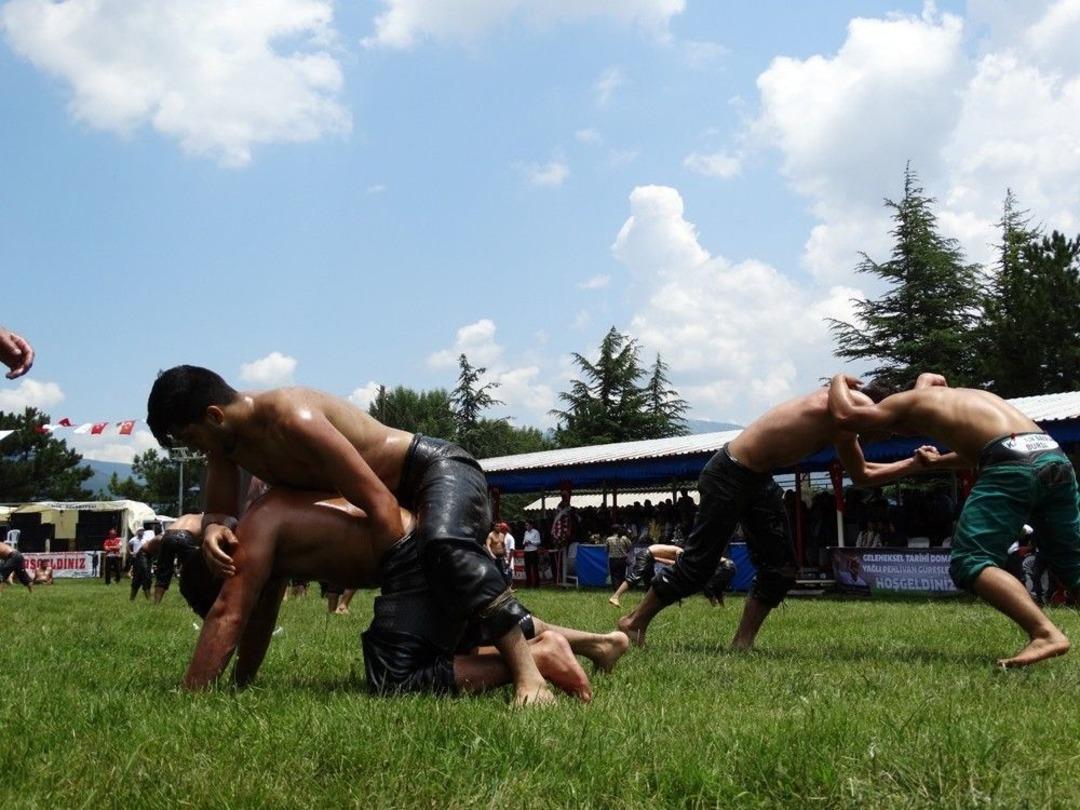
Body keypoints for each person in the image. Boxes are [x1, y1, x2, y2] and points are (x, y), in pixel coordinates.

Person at [147, 365, 553, 706]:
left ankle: (529, 674)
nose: (193, 450)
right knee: (435, 616)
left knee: (442, 549)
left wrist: (402, 588)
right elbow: (218, 513)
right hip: (392, 499)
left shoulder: (293, 419)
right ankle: (590, 644)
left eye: (188, 438)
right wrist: (216, 527)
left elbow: (377, 502)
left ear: (215, 416)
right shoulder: (225, 445)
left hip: (436, 471)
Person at [179, 487, 629, 698]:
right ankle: (600, 643)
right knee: (486, 625)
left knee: (395, 678)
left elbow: (231, 616)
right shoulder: (268, 519)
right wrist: (241, 682)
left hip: (413, 556)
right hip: (429, 540)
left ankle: (542, 659)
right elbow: (255, 626)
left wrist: (194, 693)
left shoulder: (257, 530)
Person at [618, 379, 925, 650]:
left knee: (780, 569)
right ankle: (633, 622)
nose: (887, 438)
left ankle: (742, 643)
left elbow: (862, 474)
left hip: (757, 479)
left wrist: (914, 465)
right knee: (699, 565)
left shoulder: (845, 425)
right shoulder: (856, 404)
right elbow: (851, 411)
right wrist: (839, 381)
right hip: (730, 472)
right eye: (891, 427)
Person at [828, 371, 1080, 667]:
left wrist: (837, 382)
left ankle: (1045, 633)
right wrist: (937, 461)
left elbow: (846, 417)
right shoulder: (962, 399)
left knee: (970, 561)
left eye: (887, 428)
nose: (890, 435)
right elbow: (986, 450)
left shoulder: (906, 401)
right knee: (1073, 563)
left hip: (1012, 468)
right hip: (1054, 460)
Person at [609, 544, 735, 608]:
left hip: (649, 555)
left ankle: (644, 604)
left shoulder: (681, 553)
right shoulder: (681, 552)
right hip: (646, 554)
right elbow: (677, 566)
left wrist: (657, 559)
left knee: (651, 582)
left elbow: (673, 563)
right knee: (635, 577)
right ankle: (615, 596)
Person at [151, 514, 202, 604]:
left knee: (163, 571)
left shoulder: (186, 516)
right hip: (185, 536)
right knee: (192, 572)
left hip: (167, 536)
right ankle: (193, 601)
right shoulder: (204, 518)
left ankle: (156, 603)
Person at [604, 525, 632, 590]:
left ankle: (616, 590)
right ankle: (621, 589)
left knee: (614, 576)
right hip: (623, 559)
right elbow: (630, 546)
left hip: (613, 560)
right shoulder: (624, 538)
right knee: (622, 575)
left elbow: (606, 550)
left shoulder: (609, 539)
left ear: (612, 530)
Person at [522, 520, 542, 588]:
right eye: (525, 525)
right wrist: (525, 543)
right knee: (527, 568)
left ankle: (536, 584)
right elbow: (523, 541)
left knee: (535, 568)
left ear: (531, 525)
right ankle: (528, 583)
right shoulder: (525, 532)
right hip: (526, 550)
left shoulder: (536, 532)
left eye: (527, 525)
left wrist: (531, 542)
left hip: (533, 551)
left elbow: (538, 542)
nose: (526, 527)